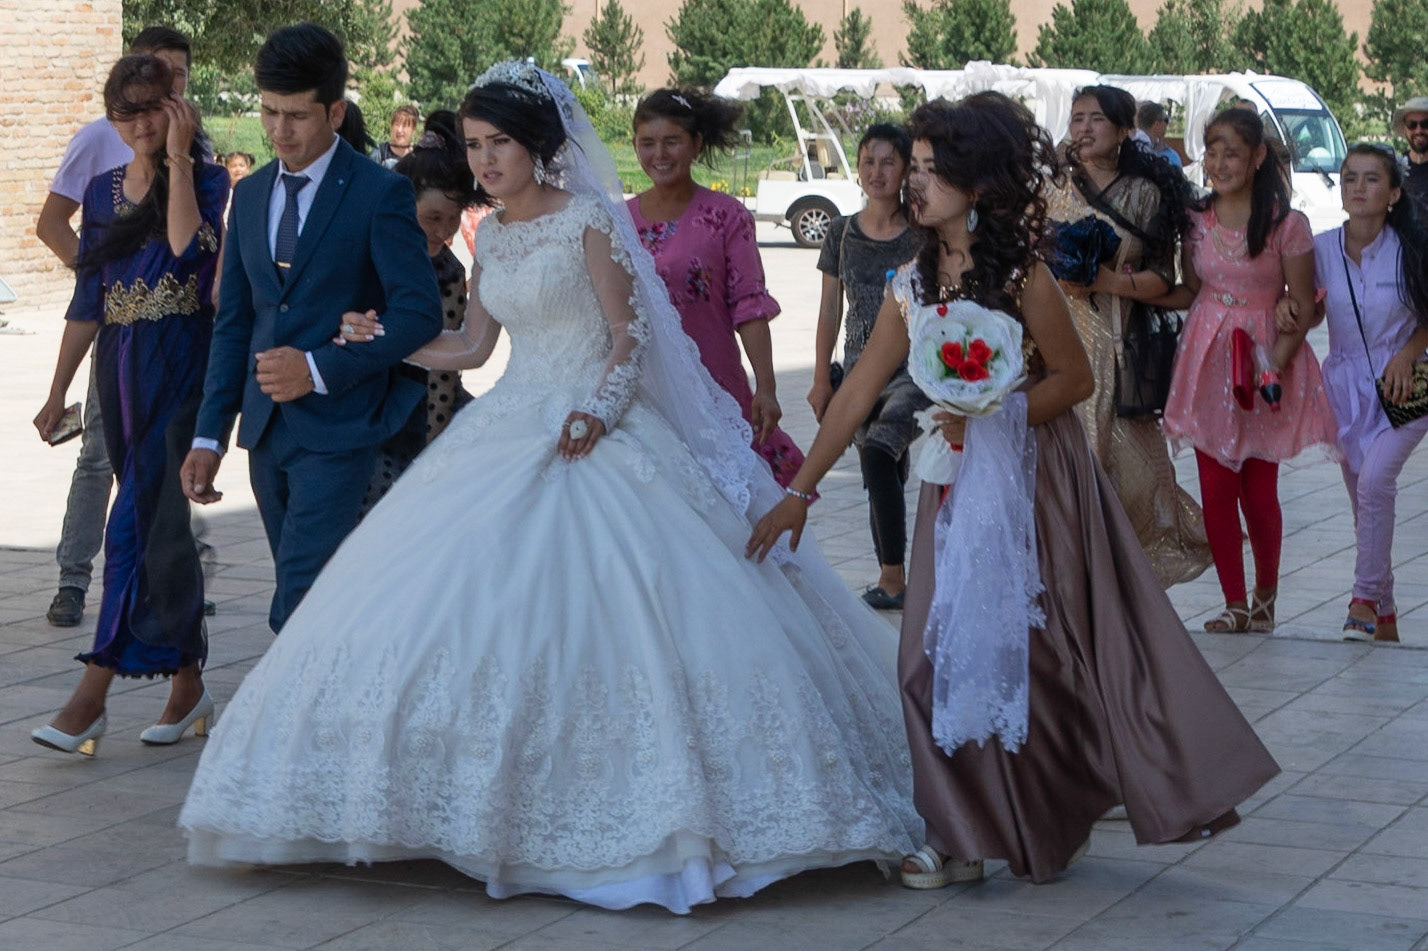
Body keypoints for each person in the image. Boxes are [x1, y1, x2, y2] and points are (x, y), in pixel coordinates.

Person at [179, 61, 920, 914]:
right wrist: (384, 335)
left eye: (500, 145)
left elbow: (627, 337)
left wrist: (600, 412)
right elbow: (471, 349)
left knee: (626, 608)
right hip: (507, 426)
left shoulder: (590, 222)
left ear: (539, 145)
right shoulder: (488, 233)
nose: (485, 161)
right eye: (475, 146)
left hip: (594, 431)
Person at [748, 91, 1279, 887]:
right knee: (929, 655)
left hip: (1038, 477)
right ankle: (956, 832)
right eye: (913, 169)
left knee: (1037, 657)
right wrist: (800, 489)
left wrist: (992, 409)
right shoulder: (910, 281)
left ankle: (1048, 810)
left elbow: (1072, 377)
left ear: (977, 180)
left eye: (930, 170)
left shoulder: (1024, 271)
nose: (914, 185)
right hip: (956, 484)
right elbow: (859, 388)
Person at [180, 24, 442, 633]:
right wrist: (210, 436)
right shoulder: (250, 196)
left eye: (295, 116)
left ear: (335, 110)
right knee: (311, 596)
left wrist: (320, 367)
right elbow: (235, 323)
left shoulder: (381, 192)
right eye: (269, 112)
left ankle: (281, 725)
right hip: (266, 432)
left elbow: (419, 311)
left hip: (343, 426)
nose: (278, 131)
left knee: (296, 600)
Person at [30, 54, 228, 755]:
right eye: (128, 112)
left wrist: (175, 158)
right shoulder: (105, 189)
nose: (141, 122)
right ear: (113, 117)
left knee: (130, 523)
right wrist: (57, 389)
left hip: (182, 368)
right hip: (119, 368)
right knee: (159, 526)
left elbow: (183, 247)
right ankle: (188, 682)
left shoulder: (205, 180)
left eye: (154, 107)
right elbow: (89, 300)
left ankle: (93, 694)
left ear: (176, 107)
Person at [34, 25, 197, 629]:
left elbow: (194, 253)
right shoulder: (99, 152)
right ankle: (76, 579)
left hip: (180, 347)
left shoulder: (198, 164)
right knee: (103, 460)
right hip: (122, 339)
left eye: (176, 78)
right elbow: (54, 227)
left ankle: (167, 590)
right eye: (156, 74)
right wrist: (104, 275)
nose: (163, 93)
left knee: (170, 470)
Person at [1160, 108, 1338, 633]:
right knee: (1215, 490)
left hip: (1267, 361)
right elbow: (1190, 290)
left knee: (1258, 492)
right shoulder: (1194, 221)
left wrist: (1271, 368)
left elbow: (1302, 305)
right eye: (1212, 151)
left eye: (1232, 152)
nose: (1219, 163)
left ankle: (1266, 595)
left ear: (1258, 157)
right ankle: (1233, 602)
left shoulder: (1288, 225)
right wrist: (1126, 288)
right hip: (1208, 360)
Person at [1049, 85, 1211, 587]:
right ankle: (1068, 572)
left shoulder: (1145, 194)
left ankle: (1121, 576)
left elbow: (1164, 277)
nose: (1084, 128)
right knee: (1061, 465)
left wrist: (1107, 281)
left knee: (1130, 471)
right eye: (1077, 118)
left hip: (1118, 342)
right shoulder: (1048, 186)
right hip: (1054, 339)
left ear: (1123, 131)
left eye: (1097, 119)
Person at [1280, 145, 1428, 643]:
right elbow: (1309, 308)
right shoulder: (1320, 249)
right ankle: (1384, 614)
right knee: (1364, 503)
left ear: (1393, 193)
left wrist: (1408, 353)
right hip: (1343, 391)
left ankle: (1362, 598)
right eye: (1349, 178)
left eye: (1370, 179)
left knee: (1374, 485)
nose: (1358, 188)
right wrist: (1289, 312)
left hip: (1405, 389)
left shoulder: (1413, 250)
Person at [627, 88, 809, 487]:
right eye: (647, 143)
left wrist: (767, 387)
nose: (659, 154)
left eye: (672, 141)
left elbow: (750, 307)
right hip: (643, 391)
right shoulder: (619, 221)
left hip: (715, 384)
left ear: (696, 144)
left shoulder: (727, 216)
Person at [809, 124, 927, 609]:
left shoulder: (923, 235)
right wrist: (821, 378)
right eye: (868, 162)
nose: (876, 172)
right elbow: (829, 310)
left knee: (880, 452)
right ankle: (891, 574)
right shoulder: (840, 233)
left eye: (888, 162)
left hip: (915, 369)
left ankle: (893, 577)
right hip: (859, 371)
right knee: (882, 469)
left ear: (905, 169)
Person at [357, 123, 481, 513]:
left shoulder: (450, 272)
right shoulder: (366, 256)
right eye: (432, 218)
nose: (443, 231)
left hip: (423, 410)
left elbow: (444, 376)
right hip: (364, 405)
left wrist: (436, 445)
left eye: (452, 219)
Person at [1392, 97, 1428, 215]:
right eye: (1412, 124)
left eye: (1425, 124)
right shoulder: (1395, 168)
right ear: (1404, 128)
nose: (1418, 130)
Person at [1135, 100, 1182, 170]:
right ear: (1156, 125)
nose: (1168, 123)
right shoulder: (1141, 150)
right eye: (1166, 120)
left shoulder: (1134, 144)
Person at [372, 103, 419, 168]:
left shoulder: (418, 155)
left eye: (404, 126)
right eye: (397, 124)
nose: (399, 130)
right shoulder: (380, 152)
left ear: (413, 130)